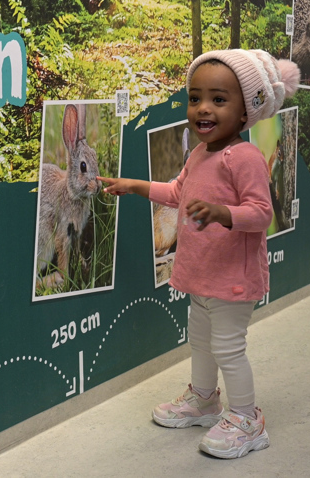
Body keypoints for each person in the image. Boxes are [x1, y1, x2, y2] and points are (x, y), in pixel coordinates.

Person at [98, 49, 299, 459]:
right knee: (201, 341)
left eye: (219, 100)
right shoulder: (199, 153)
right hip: (202, 275)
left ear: (247, 110)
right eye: (195, 98)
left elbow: (262, 214)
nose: (203, 108)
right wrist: (135, 186)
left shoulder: (244, 158)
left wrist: (223, 213)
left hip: (232, 279)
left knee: (227, 347)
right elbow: (177, 193)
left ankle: (246, 418)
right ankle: (205, 400)